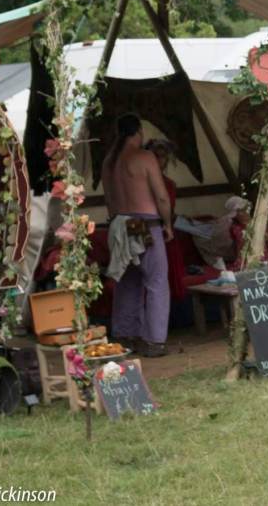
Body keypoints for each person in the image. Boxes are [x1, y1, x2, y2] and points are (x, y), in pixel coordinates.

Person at [101, 114, 173, 358]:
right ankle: (154, 341)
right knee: (156, 281)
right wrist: (167, 223)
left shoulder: (109, 161)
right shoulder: (144, 157)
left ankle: (125, 335)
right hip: (145, 224)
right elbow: (161, 196)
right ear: (138, 131)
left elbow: (109, 200)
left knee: (127, 282)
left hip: (119, 224)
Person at [144, 139, 188, 302]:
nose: (160, 160)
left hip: (167, 234)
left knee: (171, 275)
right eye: (156, 156)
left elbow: (170, 209)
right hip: (150, 231)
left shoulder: (169, 184)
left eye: (163, 156)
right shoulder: (142, 183)